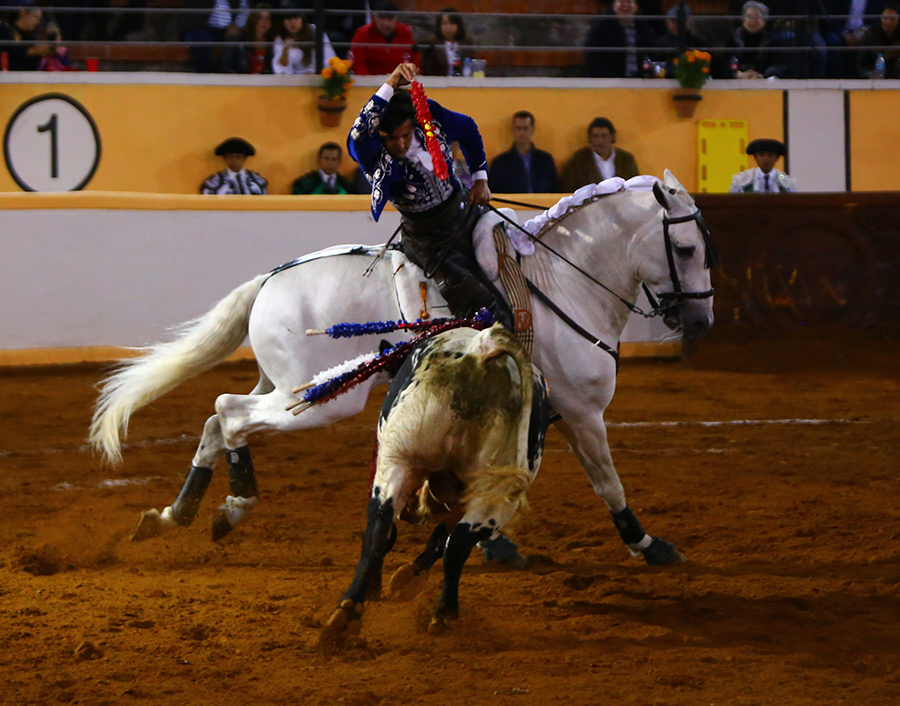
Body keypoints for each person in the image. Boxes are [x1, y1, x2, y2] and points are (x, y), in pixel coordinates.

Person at [347, 62, 512, 329]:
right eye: (392, 138)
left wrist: (480, 178)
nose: (400, 144)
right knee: (487, 311)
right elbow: (359, 131)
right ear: (380, 136)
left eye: (406, 135)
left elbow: (468, 128)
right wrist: (389, 83)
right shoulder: (368, 150)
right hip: (429, 238)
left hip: (465, 209)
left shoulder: (429, 115)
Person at [560, 117, 640, 192]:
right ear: (589, 138)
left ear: (612, 137)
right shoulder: (577, 162)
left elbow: (635, 188)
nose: (600, 140)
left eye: (604, 136)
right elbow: (569, 192)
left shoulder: (626, 160)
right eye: (595, 136)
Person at [488, 111, 559, 194]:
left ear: (532, 129)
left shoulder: (545, 160)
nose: (522, 133)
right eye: (518, 128)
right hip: (511, 206)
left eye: (525, 128)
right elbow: (494, 193)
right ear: (513, 130)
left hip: (543, 205)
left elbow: (555, 188)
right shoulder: (500, 163)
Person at [584, 0, 658, 78]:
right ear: (614, 5)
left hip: (640, 82)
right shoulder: (600, 27)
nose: (625, 5)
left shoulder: (644, 28)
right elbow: (594, 60)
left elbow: (653, 55)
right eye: (621, 1)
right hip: (609, 82)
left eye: (629, 1)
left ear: (636, 6)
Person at [350, 0, 419, 76]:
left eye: (390, 18)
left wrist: (398, 80)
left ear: (396, 18)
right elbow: (358, 64)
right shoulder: (362, 33)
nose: (386, 23)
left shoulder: (406, 33)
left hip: (401, 82)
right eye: (382, 18)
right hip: (370, 82)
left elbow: (414, 62)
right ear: (375, 18)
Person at [724, 1, 787, 79]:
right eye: (749, 16)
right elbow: (724, 65)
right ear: (743, 20)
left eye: (757, 16)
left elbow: (778, 66)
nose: (753, 20)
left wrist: (763, 75)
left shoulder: (771, 40)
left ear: (764, 21)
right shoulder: (732, 39)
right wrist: (738, 74)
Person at [272, 3, 336, 75]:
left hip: (317, 76)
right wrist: (285, 52)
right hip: (293, 80)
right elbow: (281, 70)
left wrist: (315, 72)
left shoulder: (315, 32)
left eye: (296, 18)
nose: (292, 22)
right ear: (283, 22)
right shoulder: (279, 39)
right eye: (288, 19)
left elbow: (329, 58)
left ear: (302, 19)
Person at [201, 138, 269, 195]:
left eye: (238, 157)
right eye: (230, 157)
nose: (234, 160)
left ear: (244, 158)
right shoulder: (216, 182)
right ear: (225, 158)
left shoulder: (256, 180)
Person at [729, 138, 797, 192]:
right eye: (761, 155)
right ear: (755, 157)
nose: (766, 159)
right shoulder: (741, 180)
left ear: (777, 158)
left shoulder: (786, 182)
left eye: (770, 155)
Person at [223, 3, 274, 74]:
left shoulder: (273, 42)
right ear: (253, 19)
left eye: (268, 18)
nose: (264, 22)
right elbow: (227, 67)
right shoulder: (239, 39)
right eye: (260, 18)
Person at [0, 6, 52, 71]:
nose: (37, 22)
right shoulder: (4, 29)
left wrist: (38, 53)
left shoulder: (29, 38)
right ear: (23, 13)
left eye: (39, 19)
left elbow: (31, 67)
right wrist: (30, 51)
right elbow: (7, 51)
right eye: (35, 17)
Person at [420, 7, 468, 76]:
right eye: (444, 23)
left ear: (458, 25)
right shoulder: (431, 42)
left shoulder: (466, 42)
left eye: (452, 23)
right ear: (439, 26)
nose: (448, 27)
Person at [861, 2, 900, 77]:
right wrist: (868, 74)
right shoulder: (870, 35)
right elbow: (861, 64)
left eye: (892, 19)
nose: (888, 22)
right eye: (885, 18)